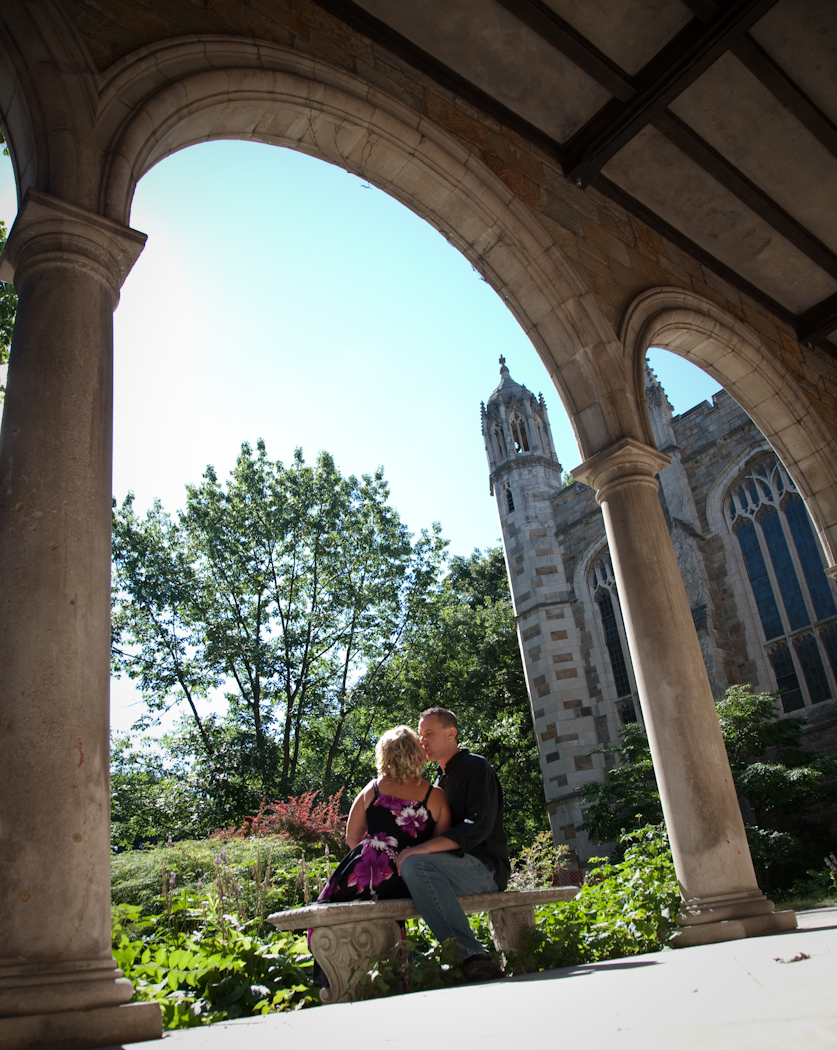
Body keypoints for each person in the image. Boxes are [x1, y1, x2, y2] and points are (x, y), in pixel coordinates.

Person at [396, 707, 510, 982]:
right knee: (395, 873)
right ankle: (403, 967)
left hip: (486, 868)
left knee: (415, 866)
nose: (422, 741)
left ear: (451, 734)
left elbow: (477, 827)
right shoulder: (438, 781)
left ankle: (472, 956)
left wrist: (418, 850)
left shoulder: (476, 766)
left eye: (429, 734)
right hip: (451, 867)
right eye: (420, 734)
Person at [316, 724, 451, 905]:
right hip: (407, 879)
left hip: (363, 873)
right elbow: (441, 843)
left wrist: (373, 861)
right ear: (416, 755)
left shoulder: (373, 789)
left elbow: (352, 836)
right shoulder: (435, 796)